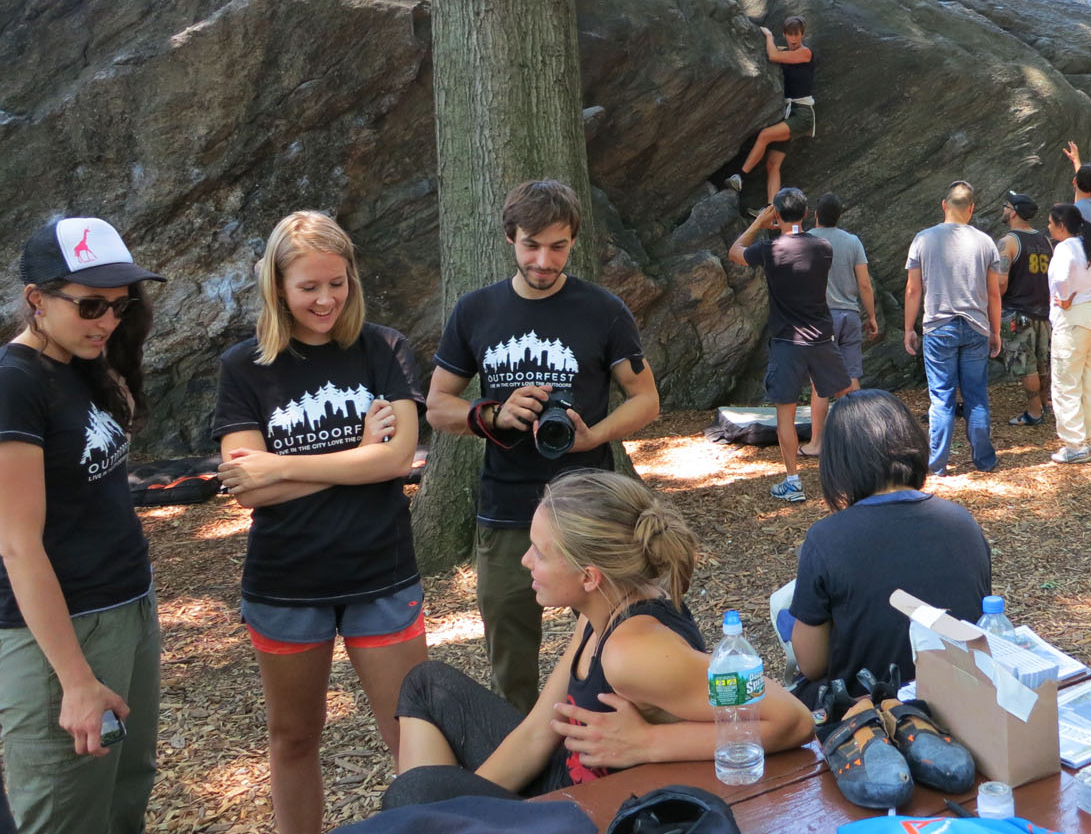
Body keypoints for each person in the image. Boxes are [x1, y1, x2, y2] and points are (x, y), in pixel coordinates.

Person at [381, 470, 815, 807]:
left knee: (412, 795)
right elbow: (538, 730)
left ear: (589, 576)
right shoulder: (602, 608)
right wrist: (466, 811)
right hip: (564, 779)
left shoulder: (636, 653)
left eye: (540, 551)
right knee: (425, 687)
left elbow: (792, 720)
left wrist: (647, 743)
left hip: (589, 814)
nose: (525, 559)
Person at [213, 211, 427, 834]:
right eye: (309, 286)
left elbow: (397, 459)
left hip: (380, 573)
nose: (327, 299)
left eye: (338, 283)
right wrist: (356, 456)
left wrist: (280, 466)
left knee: (410, 739)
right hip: (286, 583)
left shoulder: (383, 348)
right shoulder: (243, 367)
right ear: (277, 286)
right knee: (293, 738)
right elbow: (247, 491)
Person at [426, 180, 659, 712]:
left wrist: (592, 435)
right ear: (511, 237)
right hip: (506, 508)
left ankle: (608, 746)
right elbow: (437, 404)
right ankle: (521, 753)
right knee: (510, 651)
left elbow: (645, 399)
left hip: (590, 508)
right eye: (531, 244)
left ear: (573, 241)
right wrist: (492, 413)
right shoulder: (476, 311)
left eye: (557, 246)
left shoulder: (602, 310)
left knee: (612, 644)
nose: (544, 259)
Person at [0, 217, 166, 834]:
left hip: (128, 607)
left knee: (126, 795)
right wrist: (75, 680)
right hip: (59, 635)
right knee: (66, 814)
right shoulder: (14, 384)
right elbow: (17, 545)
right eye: (90, 304)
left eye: (120, 305)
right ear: (36, 300)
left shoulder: (82, 365)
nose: (108, 321)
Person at [787, 390, 991, 707]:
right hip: (960, 700)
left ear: (839, 463)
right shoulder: (962, 522)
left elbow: (812, 665)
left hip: (867, 712)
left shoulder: (827, 538)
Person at [729, 188, 855, 503]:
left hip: (787, 341)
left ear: (776, 214)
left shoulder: (769, 250)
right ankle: (862, 467)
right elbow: (802, 244)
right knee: (850, 398)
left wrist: (759, 223)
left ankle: (793, 481)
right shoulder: (823, 247)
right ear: (806, 212)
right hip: (822, 338)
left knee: (784, 413)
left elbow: (735, 252)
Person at [903, 180, 1002, 475]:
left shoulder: (923, 238)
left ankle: (937, 465)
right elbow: (993, 293)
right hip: (976, 328)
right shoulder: (985, 242)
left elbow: (912, 289)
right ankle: (984, 460)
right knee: (976, 396)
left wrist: (909, 328)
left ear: (944, 205)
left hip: (938, 326)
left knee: (942, 398)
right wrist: (995, 331)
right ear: (971, 209)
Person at [806, 192, 879, 452]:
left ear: (816, 214)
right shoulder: (852, 242)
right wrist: (870, 316)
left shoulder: (806, 240)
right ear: (840, 216)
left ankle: (816, 443)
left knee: (819, 382)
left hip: (820, 317)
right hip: (849, 315)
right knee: (851, 376)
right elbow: (864, 284)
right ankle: (859, 437)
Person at [1046, 205, 1091, 463]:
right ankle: (1088, 440)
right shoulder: (1090, 247)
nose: (1049, 227)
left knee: (1066, 384)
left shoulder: (1065, 248)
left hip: (1072, 319)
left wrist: (1065, 298)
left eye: (1051, 223)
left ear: (1061, 226)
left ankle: (1075, 444)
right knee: (1089, 382)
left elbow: (1062, 276)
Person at [725, 17, 817, 211]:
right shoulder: (788, 51)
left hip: (801, 114)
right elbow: (775, 53)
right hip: (789, 114)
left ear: (802, 34)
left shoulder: (805, 52)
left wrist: (768, 36)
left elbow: (773, 55)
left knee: (765, 135)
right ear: (785, 35)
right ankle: (771, 212)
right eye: (790, 34)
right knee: (773, 164)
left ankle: (740, 177)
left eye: (797, 34)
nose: (793, 39)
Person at [995, 191, 1052, 427]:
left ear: (1014, 212)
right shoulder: (1045, 240)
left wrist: (993, 309)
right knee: (1043, 363)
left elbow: (1000, 283)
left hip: (1017, 314)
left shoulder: (1008, 242)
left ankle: (1034, 412)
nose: (1003, 209)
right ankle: (1046, 404)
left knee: (1026, 366)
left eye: (1006, 205)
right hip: (1043, 313)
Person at [1063, 141, 1091, 247]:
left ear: (1074, 181)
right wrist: (1075, 160)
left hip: (1082, 260)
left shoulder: (1075, 212)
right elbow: (1086, 182)